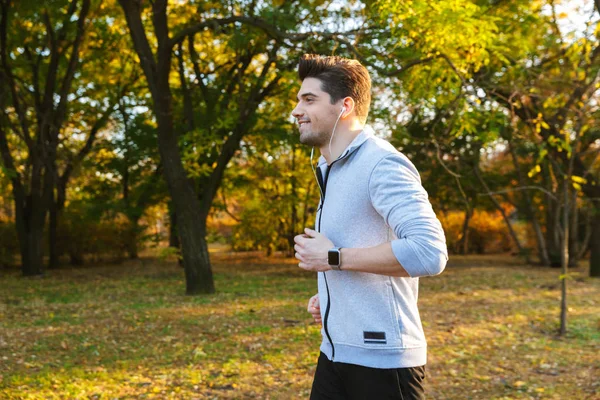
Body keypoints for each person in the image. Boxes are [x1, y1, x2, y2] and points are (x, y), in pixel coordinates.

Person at [291, 54, 448, 399]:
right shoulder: (330, 169)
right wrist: (336, 296)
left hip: (384, 365)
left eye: (309, 99)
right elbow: (358, 251)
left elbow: (429, 251)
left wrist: (333, 258)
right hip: (335, 354)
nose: (296, 110)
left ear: (344, 106)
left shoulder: (382, 163)